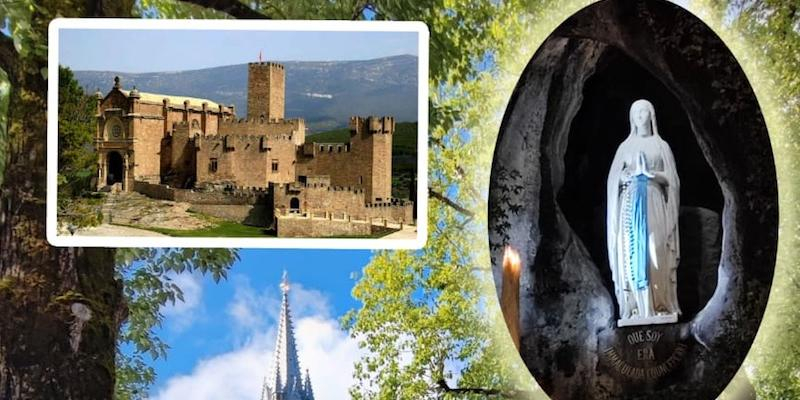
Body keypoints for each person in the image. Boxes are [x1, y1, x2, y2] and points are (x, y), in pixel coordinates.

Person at [606, 99, 681, 326]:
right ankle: (639, 307)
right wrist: (625, 178)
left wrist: (652, 175)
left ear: (651, 115)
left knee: (655, 252)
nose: (640, 115)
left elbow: (672, 180)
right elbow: (613, 179)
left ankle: (659, 305)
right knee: (632, 254)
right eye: (636, 112)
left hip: (653, 200)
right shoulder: (625, 147)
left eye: (644, 111)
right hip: (630, 206)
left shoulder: (661, 146)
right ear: (631, 117)